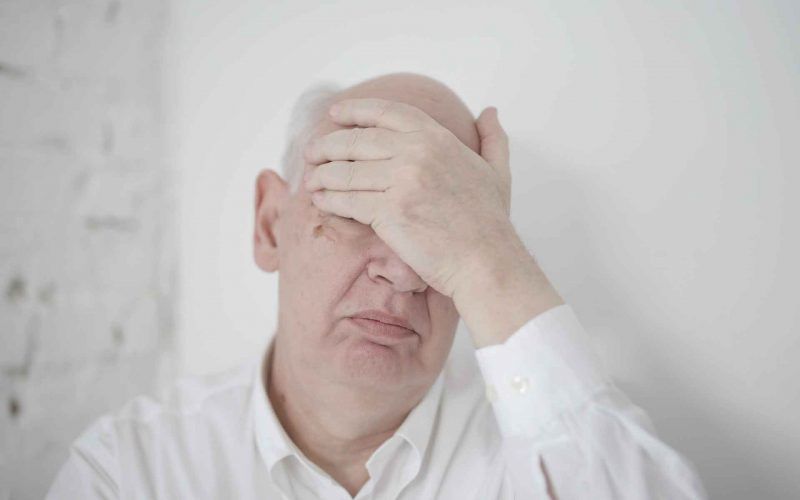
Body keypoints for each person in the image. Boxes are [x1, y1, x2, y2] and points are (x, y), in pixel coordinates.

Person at [46, 72, 708, 499]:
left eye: (442, 228)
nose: (404, 270)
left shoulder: (552, 454)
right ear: (271, 224)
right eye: (358, 208)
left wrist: (489, 258)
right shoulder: (135, 470)